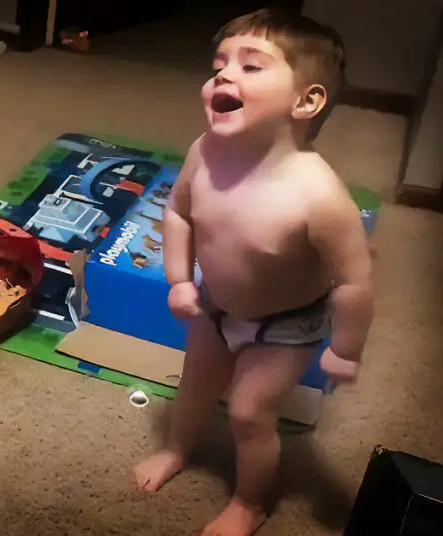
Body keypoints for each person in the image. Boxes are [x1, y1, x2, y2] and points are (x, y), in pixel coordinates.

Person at [132, 8, 373, 536]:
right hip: (215, 301)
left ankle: (249, 502)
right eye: (219, 64)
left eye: (251, 66)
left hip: (286, 326)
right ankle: (175, 448)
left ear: (306, 101)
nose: (223, 75)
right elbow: (178, 212)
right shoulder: (203, 152)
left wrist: (347, 349)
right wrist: (178, 279)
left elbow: (355, 282)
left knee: (247, 414)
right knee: (194, 386)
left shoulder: (320, 197)